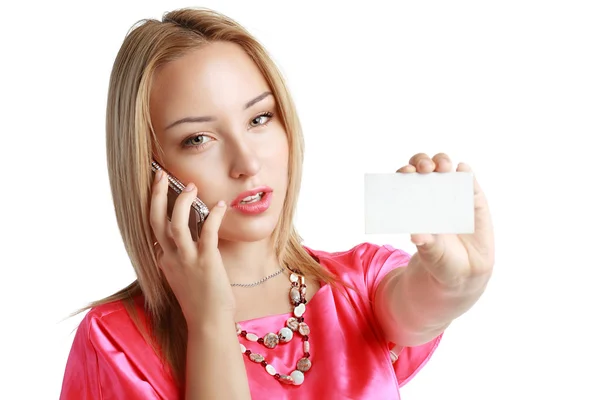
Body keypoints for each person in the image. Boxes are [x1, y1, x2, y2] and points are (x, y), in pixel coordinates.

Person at [59, 7, 495, 400]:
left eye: (259, 118)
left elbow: (419, 302)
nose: (247, 163)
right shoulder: (114, 343)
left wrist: (460, 282)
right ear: (151, 169)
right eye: (198, 139)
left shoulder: (357, 284)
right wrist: (210, 319)